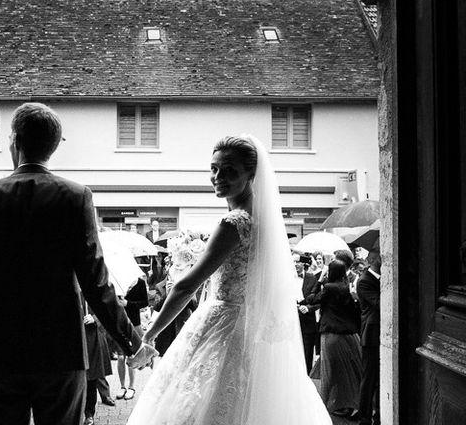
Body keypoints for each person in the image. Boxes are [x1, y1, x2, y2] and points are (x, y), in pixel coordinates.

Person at [0, 102, 142, 425]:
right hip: (61, 351)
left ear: (14, 141)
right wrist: (132, 342)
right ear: (54, 147)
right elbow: (96, 282)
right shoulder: (75, 197)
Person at [126, 135, 331, 424]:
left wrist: (149, 334)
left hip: (224, 325)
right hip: (254, 329)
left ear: (251, 174)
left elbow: (187, 286)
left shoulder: (234, 223)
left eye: (229, 171)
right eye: (214, 169)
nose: (218, 177)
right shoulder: (262, 222)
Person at [310, 259, 362, 418]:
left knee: (333, 374)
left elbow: (311, 298)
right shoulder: (346, 288)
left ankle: (330, 406)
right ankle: (352, 405)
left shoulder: (329, 287)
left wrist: (318, 281)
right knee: (349, 372)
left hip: (331, 335)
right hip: (349, 336)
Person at [356, 247, 381, 425]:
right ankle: (364, 417)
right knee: (369, 378)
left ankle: (377, 415)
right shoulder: (365, 281)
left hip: (377, 334)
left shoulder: (375, 279)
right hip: (371, 335)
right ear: (375, 260)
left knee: (376, 378)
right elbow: (378, 303)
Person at [114, 277, 148, 401]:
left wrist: (127, 303)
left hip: (134, 322)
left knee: (131, 355)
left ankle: (131, 387)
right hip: (119, 322)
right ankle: (122, 386)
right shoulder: (116, 282)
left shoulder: (140, 283)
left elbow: (144, 303)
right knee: (120, 356)